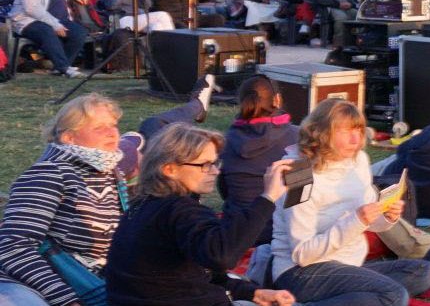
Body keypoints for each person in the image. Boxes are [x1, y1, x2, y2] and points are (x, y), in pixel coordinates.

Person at [103, 124, 297, 306]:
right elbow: (223, 255)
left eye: (215, 163)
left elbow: (199, 274)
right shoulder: (179, 210)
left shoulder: (143, 206)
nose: (215, 171)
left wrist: (252, 293)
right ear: (170, 169)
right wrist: (268, 197)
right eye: (205, 165)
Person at [268, 100, 430, 306]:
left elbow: (368, 219)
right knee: (394, 295)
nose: (356, 138)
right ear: (322, 132)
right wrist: (356, 220)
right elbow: (302, 254)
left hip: (349, 264)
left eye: (359, 130)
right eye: (346, 131)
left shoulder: (359, 161)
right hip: (302, 272)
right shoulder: (299, 175)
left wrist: (385, 216)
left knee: (423, 271)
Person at [0, 95, 126, 306]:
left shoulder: (111, 174)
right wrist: (66, 300)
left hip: (86, 281)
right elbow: (13, 246)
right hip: (25, 281)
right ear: (69, 137)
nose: (111, 132)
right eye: (99, 128)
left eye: (113, 125)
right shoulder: (49, 173)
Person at [220, 76, 301, 246]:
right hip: (279, 234)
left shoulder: (226, 141)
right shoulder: (298, 138)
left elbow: (225, 191)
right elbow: (301, 196)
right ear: (277, 100)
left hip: (236, 232)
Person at [7, 0, 89, 77]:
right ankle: (64, 67)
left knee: (79, 32)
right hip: (30, 21)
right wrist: (55, 24)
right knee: (47, 31)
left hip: (57, 20)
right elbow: (32, 9)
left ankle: (60, 66)